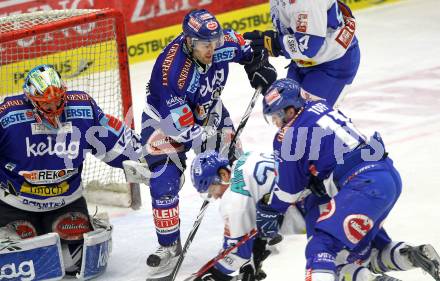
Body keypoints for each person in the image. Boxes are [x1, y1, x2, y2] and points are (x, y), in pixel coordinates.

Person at [254, 78, 440, 281]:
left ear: (290, 110)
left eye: (277, 115)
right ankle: (411, 256)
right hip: (385, 175)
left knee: (322, 247)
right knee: (365, 252)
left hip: (363, 185)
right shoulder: (320, 105)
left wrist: (271, 210)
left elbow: (289, 189)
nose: (275, 122)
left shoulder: (288, 134)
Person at [140, 9, 277, 273]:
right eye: (205, 45)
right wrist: (209, 150)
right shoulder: (172, 72)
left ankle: (260, 223)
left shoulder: (220, 43)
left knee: (238, 167)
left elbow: (251, 49)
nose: (212, 49)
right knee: (163, 180)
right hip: (165, 122)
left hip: (208, 110)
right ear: (189, 41)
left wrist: (260, 66)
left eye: (214, 42)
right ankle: (169, 246)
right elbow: (184, 131)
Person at [0, 64, 142, 279]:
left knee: (75, 263)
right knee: (22, 265)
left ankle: (88, 224)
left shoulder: (82, 108)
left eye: (57, 100)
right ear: (30, 100)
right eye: (45, 103)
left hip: (65, 201)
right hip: (15, 205)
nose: (53, 106)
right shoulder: (8, 117)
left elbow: (114, 141)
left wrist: (151, 159)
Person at [189, 150, 306, 281]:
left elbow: (236, 254)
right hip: (316, 177)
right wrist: (256, 250)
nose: (215, 197)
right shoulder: (246, 157)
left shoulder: (233, 201)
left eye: (212, 190)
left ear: (223, 175)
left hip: (311, 203)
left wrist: (213, 275)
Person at [243, 0, 360, 106]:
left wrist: (275, 43)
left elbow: (310, 46)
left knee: (308, 123)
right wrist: (268, 84)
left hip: (332, 63)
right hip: (303, 61)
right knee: (284, 112)